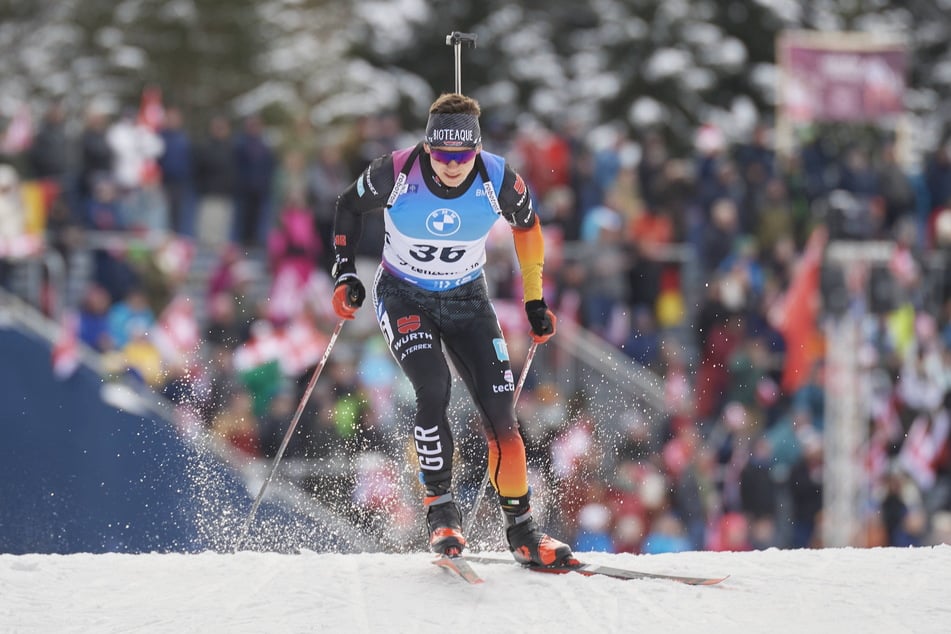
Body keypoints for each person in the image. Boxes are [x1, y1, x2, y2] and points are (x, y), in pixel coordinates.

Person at [329, 92, 574, 567]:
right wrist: (344, 273)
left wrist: (534, 298)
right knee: (433, 388)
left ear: (476, 150)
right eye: (441, 154)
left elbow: (529, 227)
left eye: (463, 155)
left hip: (466, 298)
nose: (452, 164)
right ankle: (441, 512)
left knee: (502, 415)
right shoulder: (395, 172)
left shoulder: (497, 177)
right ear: (427, 147)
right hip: (404, 296)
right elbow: (346, 206)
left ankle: (523, 532)